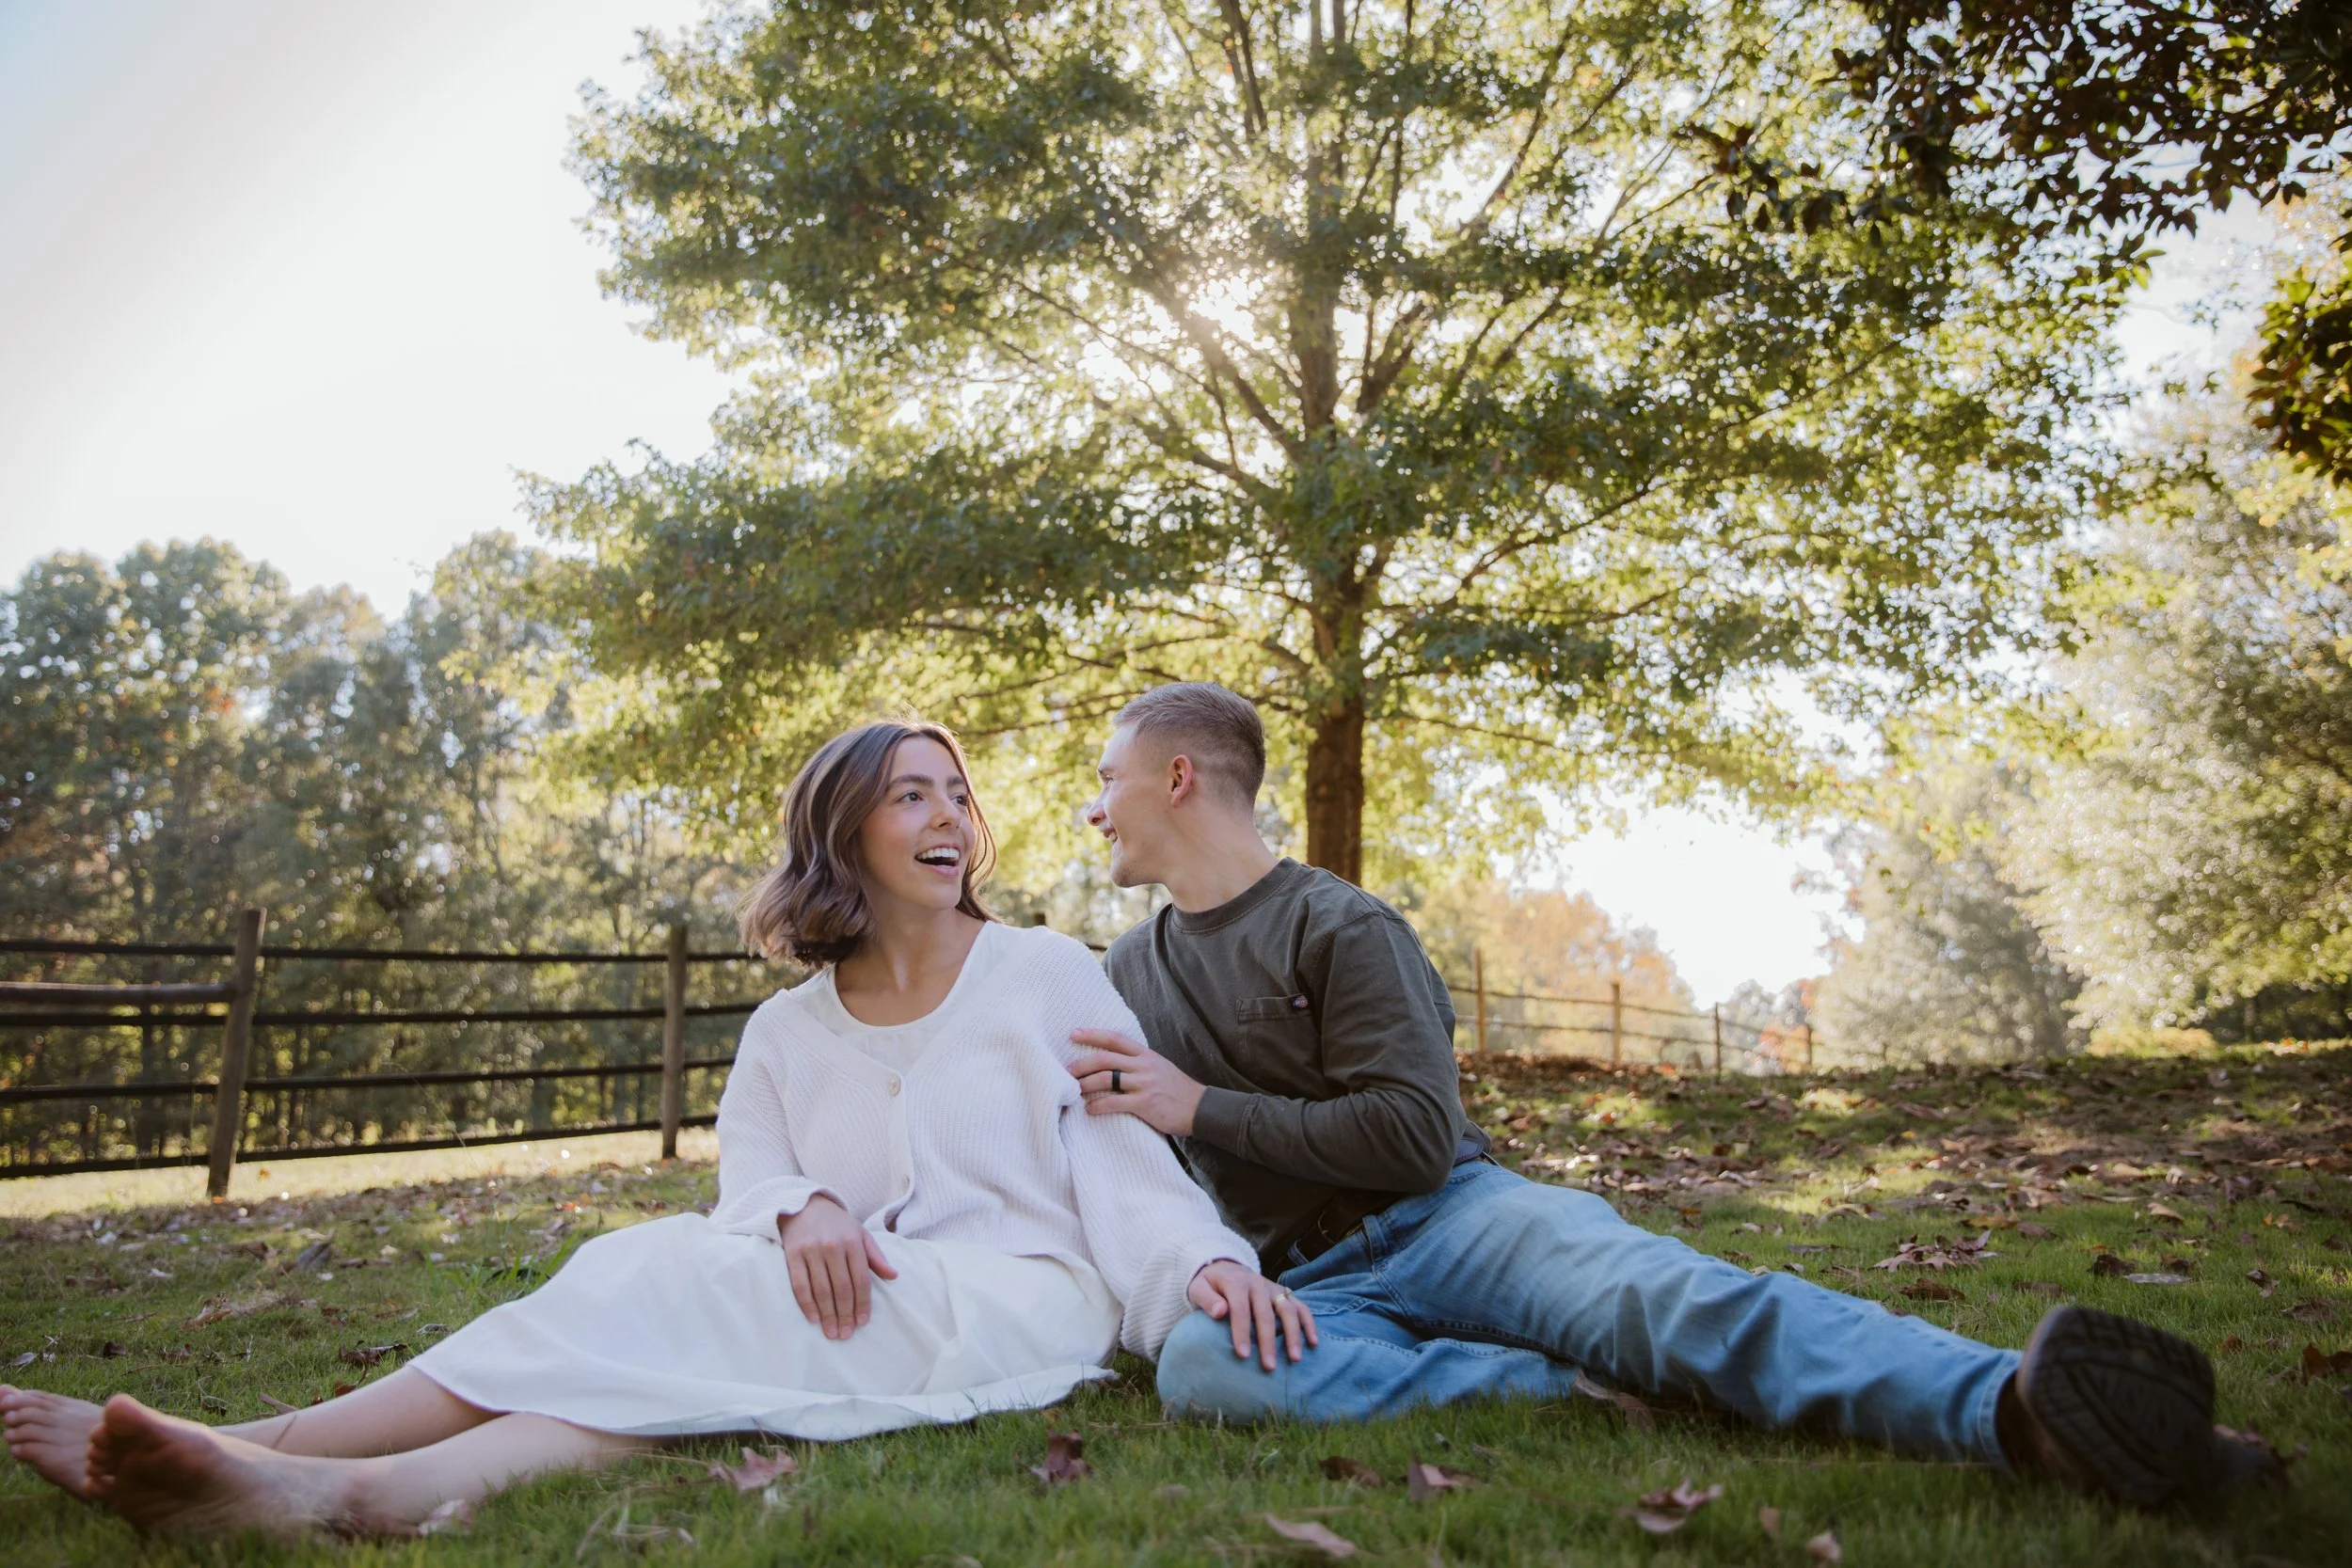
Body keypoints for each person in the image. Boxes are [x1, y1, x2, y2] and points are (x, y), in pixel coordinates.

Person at [2, 720, 1301, 1539]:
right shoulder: (787, 1029)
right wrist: (803, 1204)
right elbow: (755, 1172)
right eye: (911, 795)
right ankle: (314, 1480)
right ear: (843, 827)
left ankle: (269, 1452)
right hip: (849, 1290)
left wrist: (1201, 1267)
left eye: (957, 794)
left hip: (1014, 1301)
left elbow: (1125, 1159)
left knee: (672, 1285)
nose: (949, 816)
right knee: (660, 1296)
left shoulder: (1048, 973)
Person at [1068, 681, 2280, 1509]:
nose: (1091, 803)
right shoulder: (1122, 971)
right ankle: (1571, 1389)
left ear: (1178, 778)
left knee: (1684, 1304)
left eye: (1106, 777)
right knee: (1203, 1373)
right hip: (1313, 1289)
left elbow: (1413, 1134)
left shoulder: (1340, 924)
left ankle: (2021, 1411)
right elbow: (1135, 1174)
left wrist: (1201, 1106)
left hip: (1453, 1218)